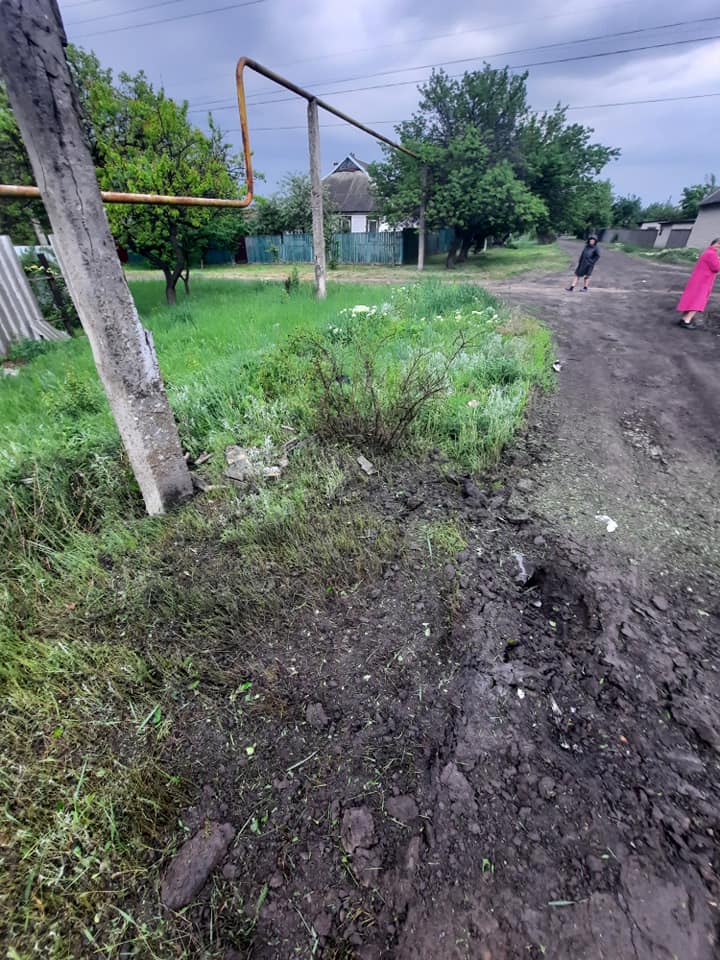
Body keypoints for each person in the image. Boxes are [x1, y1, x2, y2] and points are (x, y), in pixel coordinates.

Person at [676, 238, 720, 329]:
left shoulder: (708, 252)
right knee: (697, 301)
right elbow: (716, 268)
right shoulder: (712, 254)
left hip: (699, 280)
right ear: (717, 244)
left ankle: (684, 319)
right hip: (703, 281)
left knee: (692, 300)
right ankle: (686, 321)